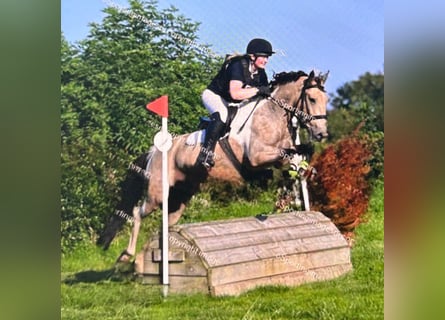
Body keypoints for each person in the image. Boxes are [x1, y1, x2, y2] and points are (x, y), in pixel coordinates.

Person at [197, 38, 275, 169]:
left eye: (267, 57)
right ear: (252, 56)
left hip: (233, 102)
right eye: (263, 57)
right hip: (215, 96)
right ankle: (205, 154)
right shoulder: (238, 65)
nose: (266, 60)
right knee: (222, 114)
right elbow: (235, 94)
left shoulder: (261, 74)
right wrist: (257, 90)